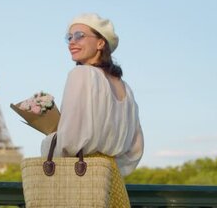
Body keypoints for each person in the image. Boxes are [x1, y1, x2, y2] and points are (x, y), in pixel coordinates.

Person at [41, 13, 144, 207]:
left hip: (83, 181)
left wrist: (51, 139)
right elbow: (135, 148)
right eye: (69, 37)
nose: (72, 42)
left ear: (100, 43)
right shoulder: (126, 88)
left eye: (79, 35)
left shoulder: (81, 74)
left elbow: (69, 139)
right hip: (112, 180)